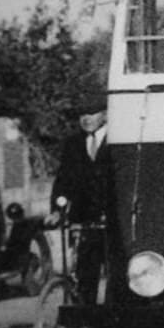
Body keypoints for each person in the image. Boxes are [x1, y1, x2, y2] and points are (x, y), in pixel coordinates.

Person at [46, 92, 112, 305]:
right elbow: (63, 180)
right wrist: (57, 210)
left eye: (91, 113)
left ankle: (112, 324)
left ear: (105, 114)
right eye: (82, 114)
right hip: (86, 223)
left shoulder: (119, 140)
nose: (86, 119)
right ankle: (86, 327)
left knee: (117, 277)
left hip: (114, 223)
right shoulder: (73, 144)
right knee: (85, 277)